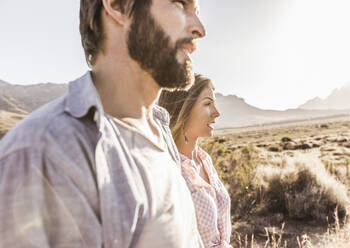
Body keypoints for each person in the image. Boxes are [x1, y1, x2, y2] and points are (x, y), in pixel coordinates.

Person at [0, 0, 206, 247]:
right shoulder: (44, 153)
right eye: (179, 4)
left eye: (197, 12)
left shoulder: (159, 131)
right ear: (117, 6)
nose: (200, 29)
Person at [158, 74, 232, 248]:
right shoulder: (168, 169)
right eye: (207, 104)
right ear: (184, 109)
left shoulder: (204, 159)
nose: (217, 113)